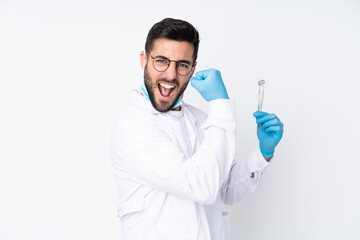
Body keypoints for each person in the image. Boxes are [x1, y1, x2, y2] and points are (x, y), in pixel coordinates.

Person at [110, 18, 284, 240]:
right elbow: (201, 186)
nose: (171, 75)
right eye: (161, 61)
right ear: (144, 60)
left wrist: (263, 153)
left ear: (193, 69)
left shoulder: (200, 120)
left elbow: (226, 188)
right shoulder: (133, 126)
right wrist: (220, 104)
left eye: (182, 64)